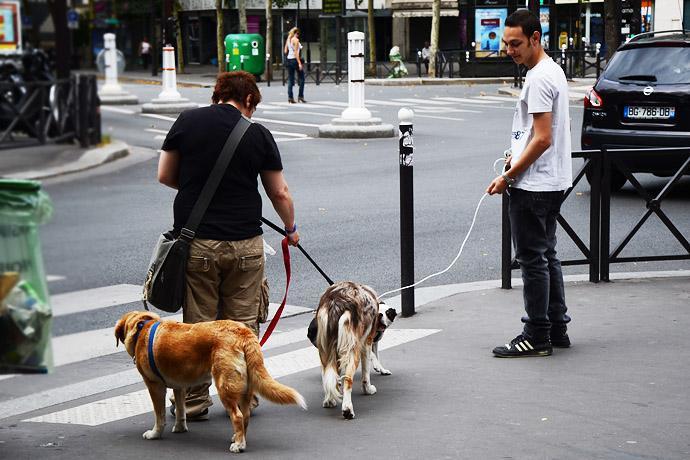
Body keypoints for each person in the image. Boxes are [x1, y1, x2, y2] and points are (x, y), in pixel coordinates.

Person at [157, 71, 300, 418]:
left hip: (198, 243)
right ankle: (244, 397)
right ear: (248, 100)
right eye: (255, 106)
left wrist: (197, 190)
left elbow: (165, 175)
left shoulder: (187, 121)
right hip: (245, 245)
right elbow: (278, 192)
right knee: (242, 326)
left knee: (198, 326)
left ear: (217, 94)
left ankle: (192, 401)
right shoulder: (257, 134)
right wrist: (291, 228)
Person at [485, 9, 572, 358]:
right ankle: (557, 327)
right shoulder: (553, 71)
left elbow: (542, 138)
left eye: (516, 43)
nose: (510, 50)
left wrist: (509, 175)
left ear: (535, 38)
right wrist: (515, 156)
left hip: (534, 184)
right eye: (506, 43)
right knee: (546, 254)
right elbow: (536, 137)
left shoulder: (538, 78)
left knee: (532, 258)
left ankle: (536, 334)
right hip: (554, 179)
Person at [284, 27, 306, 103]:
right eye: (298, 33)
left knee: (290, 79)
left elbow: (285, 50)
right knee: (302, 78)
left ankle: (290, 97)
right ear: (296, 33)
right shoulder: (296, 40)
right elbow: (296, 53)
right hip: (295, 60)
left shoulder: (288, 39)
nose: (298, 35)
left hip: (289, 60)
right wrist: (299, 63)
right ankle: (300, 96)